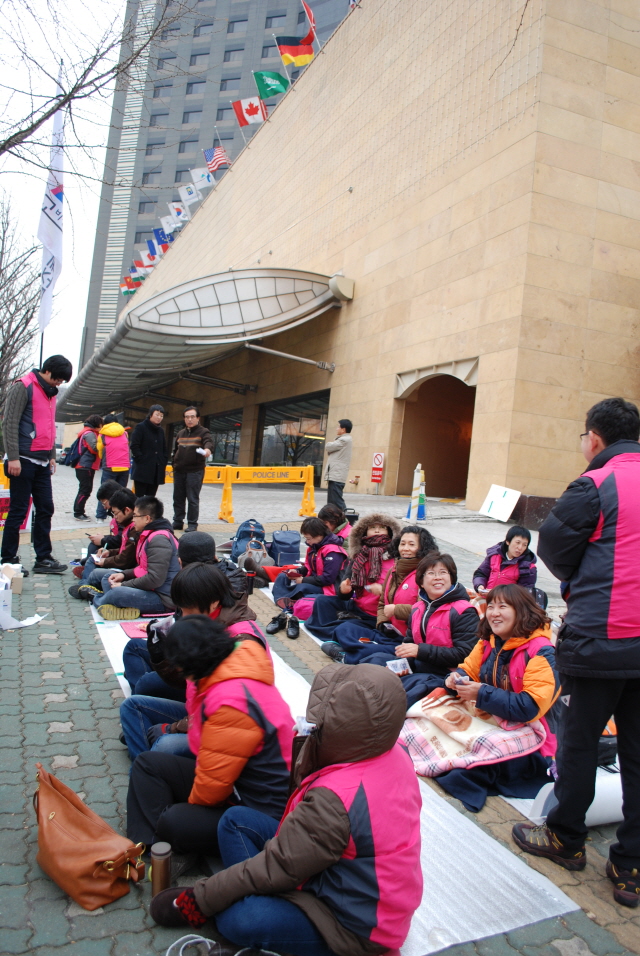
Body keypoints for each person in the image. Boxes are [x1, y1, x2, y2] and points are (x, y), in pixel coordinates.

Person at [149, 662, 423, 956]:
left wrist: (201, 898)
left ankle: (245, 900)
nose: (313, 725)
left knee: (239, 919)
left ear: (344, 728)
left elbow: (279, 865)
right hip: (339, 874)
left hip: (354, 925)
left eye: (323, 721)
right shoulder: (393, 752)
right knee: (235, 820)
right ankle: (251, 892)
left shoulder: (336, 798)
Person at [512, 397, 640, 907]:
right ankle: (630, 866)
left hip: (600, 640)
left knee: (580, 742)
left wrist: (583, 580)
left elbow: (554, 548)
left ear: (595, 439)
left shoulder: (595, 484)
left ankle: (566, 838)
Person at [126, 616, 294, 867]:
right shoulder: (231, 668)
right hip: (239, 783)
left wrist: (189, 809)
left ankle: (166, 847)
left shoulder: (231, 702)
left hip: (258, 807)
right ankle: (149, 847)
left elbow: (212, 790)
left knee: (175, 821)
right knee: (147, 764)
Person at [435, 584, 560, 812]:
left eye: (503, 607)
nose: (494, 613)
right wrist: (455, 679)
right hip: (497, 717)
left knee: (470, 765)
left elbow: (530, 707)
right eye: (491, 606)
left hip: (535, 730)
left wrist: (481, 693)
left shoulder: (542, 652)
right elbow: (469, 670)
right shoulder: (489, 641)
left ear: (521, 611)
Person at [120, 563, 264, 760]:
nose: (183, 616)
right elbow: (190, 682)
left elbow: (225, 713)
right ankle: (145, 762)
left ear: (214, 602)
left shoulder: (242, 642)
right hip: (197, 710)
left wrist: (172, 728)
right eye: (181, 609)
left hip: (226, 732)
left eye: (188, 610)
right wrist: (161, 657)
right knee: (132, 706)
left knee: (164, 745)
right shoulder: (207, 622)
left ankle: (147, 761)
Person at [360, 552, 479, 707]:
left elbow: (464, 655)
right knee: (374, 661)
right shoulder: (417, 608)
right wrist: (402, 665)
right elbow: (409, 644)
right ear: (421, 582)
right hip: (421, 664)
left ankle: (377, 712)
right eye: (431, 573)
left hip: (446, 676)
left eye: (443, 572)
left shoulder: (463, 611)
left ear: (451, 578)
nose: (437, 577)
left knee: (407, 688)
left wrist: (420, 651)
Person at [320, 524, 437, 663]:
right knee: (344, 629)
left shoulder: (426, 575)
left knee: (377, 655)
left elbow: (427, 611)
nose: (405, 548)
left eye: (411, 545)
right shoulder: (393, 570)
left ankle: (348, 656)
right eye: (402, 544)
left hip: (407, 637)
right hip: (387, 630)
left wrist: (395, 610)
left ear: (423, 547)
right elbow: (383, 603)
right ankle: (359, 650)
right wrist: (383, 623)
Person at [1, 354, 72, 574]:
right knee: (18, 510)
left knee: (46, 508)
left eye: (62, 381)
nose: (59, 383)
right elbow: (9, 423)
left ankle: (43, 558)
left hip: (41, 461)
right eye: (57, 379)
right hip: (21, 460)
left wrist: (52, 454)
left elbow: (48, 426)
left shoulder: (51, 393)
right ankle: (8, 560)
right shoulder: (23, 386)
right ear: (47, 371)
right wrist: (13, 456)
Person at [304, 513, 401, 643]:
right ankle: (338, 632)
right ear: (365, 532)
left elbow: (405, 595)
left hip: (378, 614)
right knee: (322, 601)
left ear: (390, 532)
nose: (377, 530)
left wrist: (384, 590)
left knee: (345, 628)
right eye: (372, 527)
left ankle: (341, 631)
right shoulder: (359, 557)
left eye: (382, 527)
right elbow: (343, 594)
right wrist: (344, 590)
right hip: (358, 606)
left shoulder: (396, 559)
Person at [92, 496, 179, 620]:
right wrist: (124, 575)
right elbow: (143, 568)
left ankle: (96, 598)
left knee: (117, 593)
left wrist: (124, 584)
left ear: (147, 518)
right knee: (108, 578)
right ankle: (117, 606)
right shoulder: (148, 534)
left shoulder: (159, 539)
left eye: (135, 516)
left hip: (163, 599)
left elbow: (155, 579)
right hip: (152, 589)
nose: (133, 520)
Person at [267, 516, 348, 639]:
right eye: (306, 538)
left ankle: (290, 602)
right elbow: (309, 567)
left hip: (329, 588)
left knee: (302, 587)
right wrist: (297, 571)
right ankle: (287, 601)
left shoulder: (333, 552)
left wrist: (303, 580)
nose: (307, 541)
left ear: (319, 535)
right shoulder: (314, 547)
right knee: (283, 576)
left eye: (309, 538)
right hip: (316, 581)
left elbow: (328, 579)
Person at [69, 488, 138, 598]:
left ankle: (87, 586)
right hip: (129, 570)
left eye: (115, 513)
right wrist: (109, 552)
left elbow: (126, 560)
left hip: (130, 572)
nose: (115, 517)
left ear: (127, 510)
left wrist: (105, 561)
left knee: (97, 574)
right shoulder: (129, 526)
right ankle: (87, 585)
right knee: (94, 557)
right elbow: (125, 550)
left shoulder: (135, 529)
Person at [171, 406, 214, 533]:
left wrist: (207, 449)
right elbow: (175, 450)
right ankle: (178, 521)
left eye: (192, 417)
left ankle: (192, 523)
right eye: (187, 417)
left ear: (198, 418)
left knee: (192, 498)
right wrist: (174, 464)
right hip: (179, 471)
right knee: (178, 497)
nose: (189, 419)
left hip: (195, 471)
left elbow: (208, 442)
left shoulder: (203, 432)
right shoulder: (180, 433)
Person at [473, 525, 537, 593]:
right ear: (508, 541)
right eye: (517, 543)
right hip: (486, 596)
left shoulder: (528, 567)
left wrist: (498, 595)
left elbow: (524, 593)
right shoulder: (494, 555)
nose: (520, 548)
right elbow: (481, 573)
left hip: (507, 599)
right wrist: (479, 585)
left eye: (524, 545)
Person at [95, 414, 130, 519]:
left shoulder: (102, 435)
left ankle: (100, 516)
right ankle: (120, 517)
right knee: (122, 494)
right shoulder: (125, 433)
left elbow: (100, 451)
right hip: (124, 466)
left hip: (109, 467)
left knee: (105, 492)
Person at [130, 405, 168, 497]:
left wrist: (163, 460)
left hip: (156, 469)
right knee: (139, 497)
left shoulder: (161, 431)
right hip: (142, 469)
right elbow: (134, 445)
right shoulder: (141, 427)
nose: (159, 417)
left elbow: (164, 448)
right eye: (157, 414)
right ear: (151, 414)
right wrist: (140, 459)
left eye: (161, 416)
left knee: (151, 498)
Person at [73, 415, 104, 520]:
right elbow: (94, 449)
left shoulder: (88, 432)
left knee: (84, 489)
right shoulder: (90, 434)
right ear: (97, 424)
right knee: (85, 490)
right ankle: (78, 513)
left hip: (85, 465)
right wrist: (102, 441)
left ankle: (79, 511)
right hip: (85, 466)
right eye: (101, 424)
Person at [323, 419, 353, 511]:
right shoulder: (345, 440)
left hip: (337, 475)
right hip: (336, 474)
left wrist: (329, 444)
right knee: (332, 502)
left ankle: (346, 517)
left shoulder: (344, 440)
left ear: (343, 429)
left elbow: (328, 447)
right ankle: (333, 518)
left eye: (338, 427)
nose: (336, 429)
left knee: (336, 501)